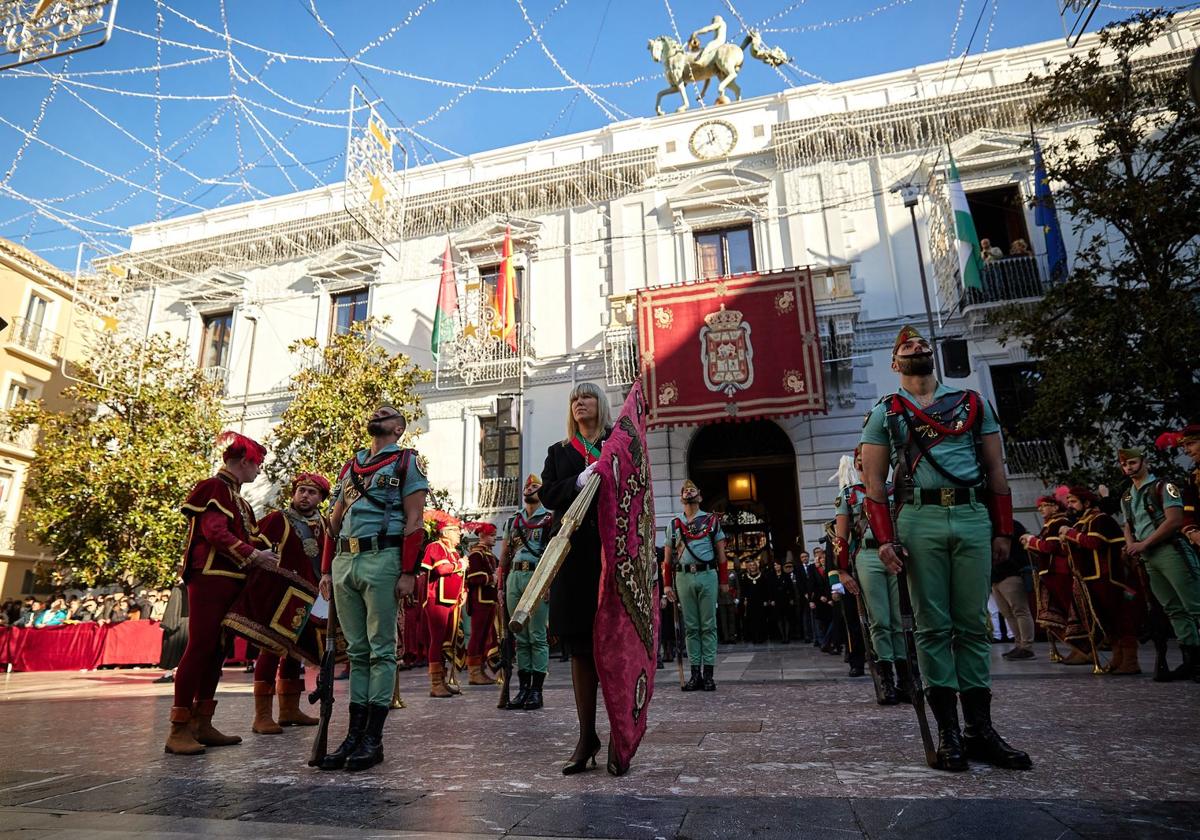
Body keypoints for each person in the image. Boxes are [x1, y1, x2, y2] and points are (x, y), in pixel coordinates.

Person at [860, 325, 1030, 772]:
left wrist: (1002, 531)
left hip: (973, 517)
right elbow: (874, 484)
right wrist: (884, 540)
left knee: (973, 624)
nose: (918, 347)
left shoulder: (973, 404)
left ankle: (981, 730)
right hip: (919, 519)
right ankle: (949, 734)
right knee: (933, 627)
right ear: (895, 363)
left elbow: (996, 469)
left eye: (922, 344)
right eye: (907, 346)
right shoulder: (886, 412)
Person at [317, 406, 429, 771]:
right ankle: (353, 735)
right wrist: (326, 571)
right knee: (357, 652)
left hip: (383, 558)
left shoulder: (405, 463)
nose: (376, 414)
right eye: (375, 411)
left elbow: (415, 520)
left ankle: (373, 739)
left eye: (386, 414)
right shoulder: (352, 465)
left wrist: (409, 572)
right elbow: (334, 523)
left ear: (397, 428)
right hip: (345, 561)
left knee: (381, 650)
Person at [165, 431, 276, 756]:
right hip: (210, 576)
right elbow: (214, 532)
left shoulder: (237, 498)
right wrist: (255, 556)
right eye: (257, 465)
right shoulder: (214, 488)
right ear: (244, 462)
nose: (258, 472)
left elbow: (248, 536)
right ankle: (178, 728)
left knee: (217, 651)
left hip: (230, 579)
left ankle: (202, 722)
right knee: (200, 647)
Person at [539, 381, 611, 775]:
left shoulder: (618, 443)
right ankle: (587, 735)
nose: (579, 403)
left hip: (612, 554)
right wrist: (579, 482)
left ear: (600, 404)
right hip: (574, 557)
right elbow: (549, 494)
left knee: (614, 646)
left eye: (586, 397)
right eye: (573, 399)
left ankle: (620, 733)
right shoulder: (560, 452)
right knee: (581, 648)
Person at [249, 472, 330, 734]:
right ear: (294, 494)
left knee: (298, 653)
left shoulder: (327, 525)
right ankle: (262, 715)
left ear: (321, 498)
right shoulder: (277, 519)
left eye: (312, 492)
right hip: (281, 594)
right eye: (301, 491)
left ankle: (288, 710)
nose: (305, 496)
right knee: (271, 650)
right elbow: (254, 547)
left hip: (312, 597)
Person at [1118, 446, 1200, 680]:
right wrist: (1131, 544)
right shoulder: (1126, 495)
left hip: (1170, 549)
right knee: (1173, 609)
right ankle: (1192, 660)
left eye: (1132, 463)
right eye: (1124, 464)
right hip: (1148, 556)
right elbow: (1128, 525)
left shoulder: (1164, 486)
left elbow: (1175, 520)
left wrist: (1143, 544)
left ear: (1144, 462)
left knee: (1194, 604)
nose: (1128, 468)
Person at [833, 448, 907, 703]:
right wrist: (841, 571)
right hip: (867, 555)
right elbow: (841, 537)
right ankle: (886, 678)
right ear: (857, 464)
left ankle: (906, 678)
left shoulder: (892, 490)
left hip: (896, 554)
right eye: (861, 460)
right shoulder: (849, 495)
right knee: (880, 619)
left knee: (900, 620)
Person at [1060, 485, 1143, 674]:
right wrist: (1067, 540)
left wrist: (1070, 534)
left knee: (1121, 618)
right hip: (1090, 577)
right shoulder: (1081, 522)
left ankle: (1131, 660)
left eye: (1073, 501)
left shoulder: (1101, 519)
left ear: (1087, 502)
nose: (1070, 505)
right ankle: (1117, 657)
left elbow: (1094, 543)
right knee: (1106, 620)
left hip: (1109, 577)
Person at [663, 479, 729, 691]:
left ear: (699, 496)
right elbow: (667, 559)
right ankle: (694, 675)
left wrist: (724, 581)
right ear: (681, 497)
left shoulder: (711, 521)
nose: (689, 492)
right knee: (691, 628)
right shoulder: (674, 525)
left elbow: (721, 554)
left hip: (707, 574)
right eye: (685, 490)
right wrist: (666, 586)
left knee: (708, 626)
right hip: (683, 577)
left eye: (692, 490)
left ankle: (708, 674)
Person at [500, 474, 553, 710]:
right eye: (526, 486)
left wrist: (550, 583)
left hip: (537, 577)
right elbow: (505, 554)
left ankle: (536, 691)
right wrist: (501, 584)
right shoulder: (514, 520)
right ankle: (522, 689)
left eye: (534, 486)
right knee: (519, 636)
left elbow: (554, 554)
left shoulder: (549, 519)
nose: (529, 488)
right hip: (515, 577)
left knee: (537, 635)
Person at [1023, 493, 1091, 664]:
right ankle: (1077, 648)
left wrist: (1031, 541)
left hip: (1061, 572)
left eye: (1045, 505)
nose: (1041, 509)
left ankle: (1085, 649)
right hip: (1050, 573)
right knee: (1054, 615)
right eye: (1039, 507)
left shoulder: (1060, 522)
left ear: (1055, 507)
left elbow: (1051, 546)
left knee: (1069, 612)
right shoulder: (1050, 525)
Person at [422, 512, 466, 698]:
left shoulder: (453, 552)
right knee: (437, 641)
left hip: (451, 601)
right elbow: (441, 569)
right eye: (455, 531)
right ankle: (435, 683)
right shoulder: (435, 546)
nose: (459, 534)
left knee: (447, 641)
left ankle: (443, 679)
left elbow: (457, 576)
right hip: (436, 601)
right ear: (445, 532)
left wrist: (464, 592)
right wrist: (460, 566)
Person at [991, 520, 1035, 661]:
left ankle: (1026, 646)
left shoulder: (1010, 525)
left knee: (1020, 610)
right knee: (1007, 613)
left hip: (1011, 572)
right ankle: (1019, 644)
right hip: (996, 575)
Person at [464, 522, 500, 688]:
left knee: (485, 636)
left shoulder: (489, 554)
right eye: (492, 535)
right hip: (480, 600)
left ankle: (481, 669)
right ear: (482, 536)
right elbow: (474, 578)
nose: (494, 538)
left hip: (489, 600)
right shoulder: (476, 555)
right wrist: (492, 578)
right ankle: (474, 672)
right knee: (477, 636)